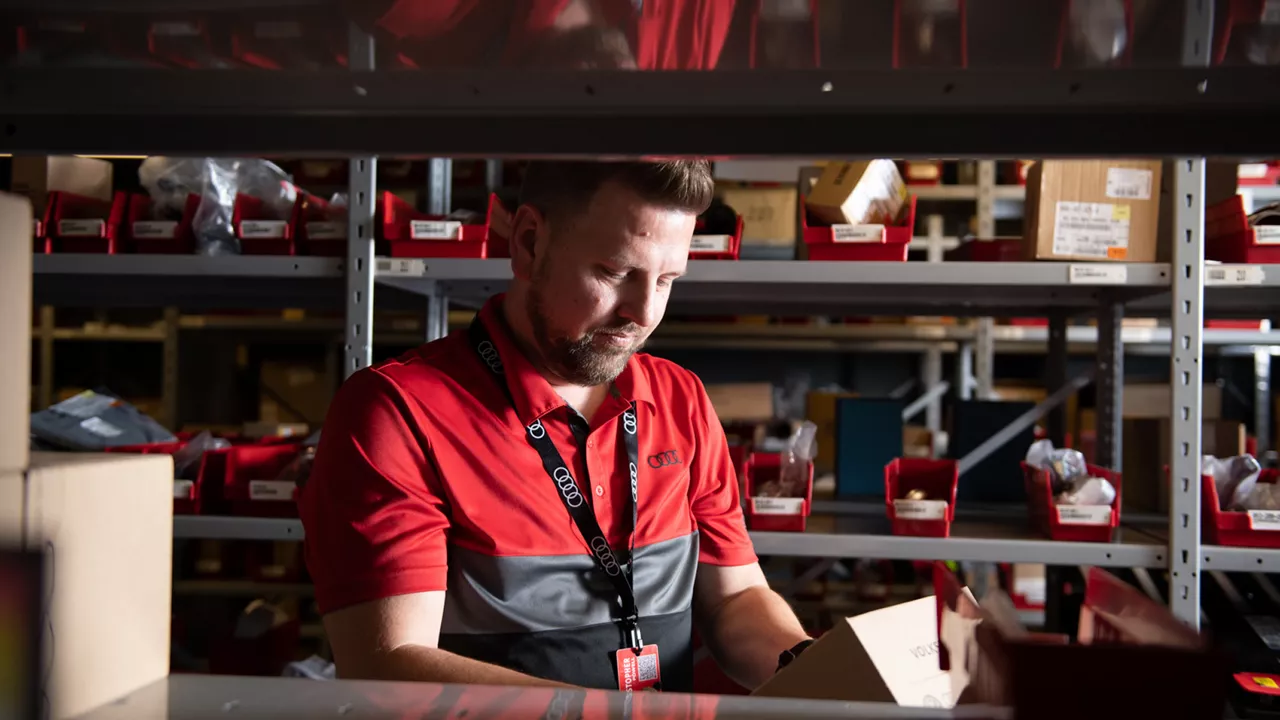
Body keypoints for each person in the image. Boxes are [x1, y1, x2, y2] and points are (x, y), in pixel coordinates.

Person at [298, 160, 811, 692]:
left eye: (666, 280)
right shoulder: (398, 412)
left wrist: (815, 667)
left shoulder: (679, 399)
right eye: (615, 273)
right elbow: (389, 666)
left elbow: (734, 599)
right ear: (528, 243)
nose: (643, 313)